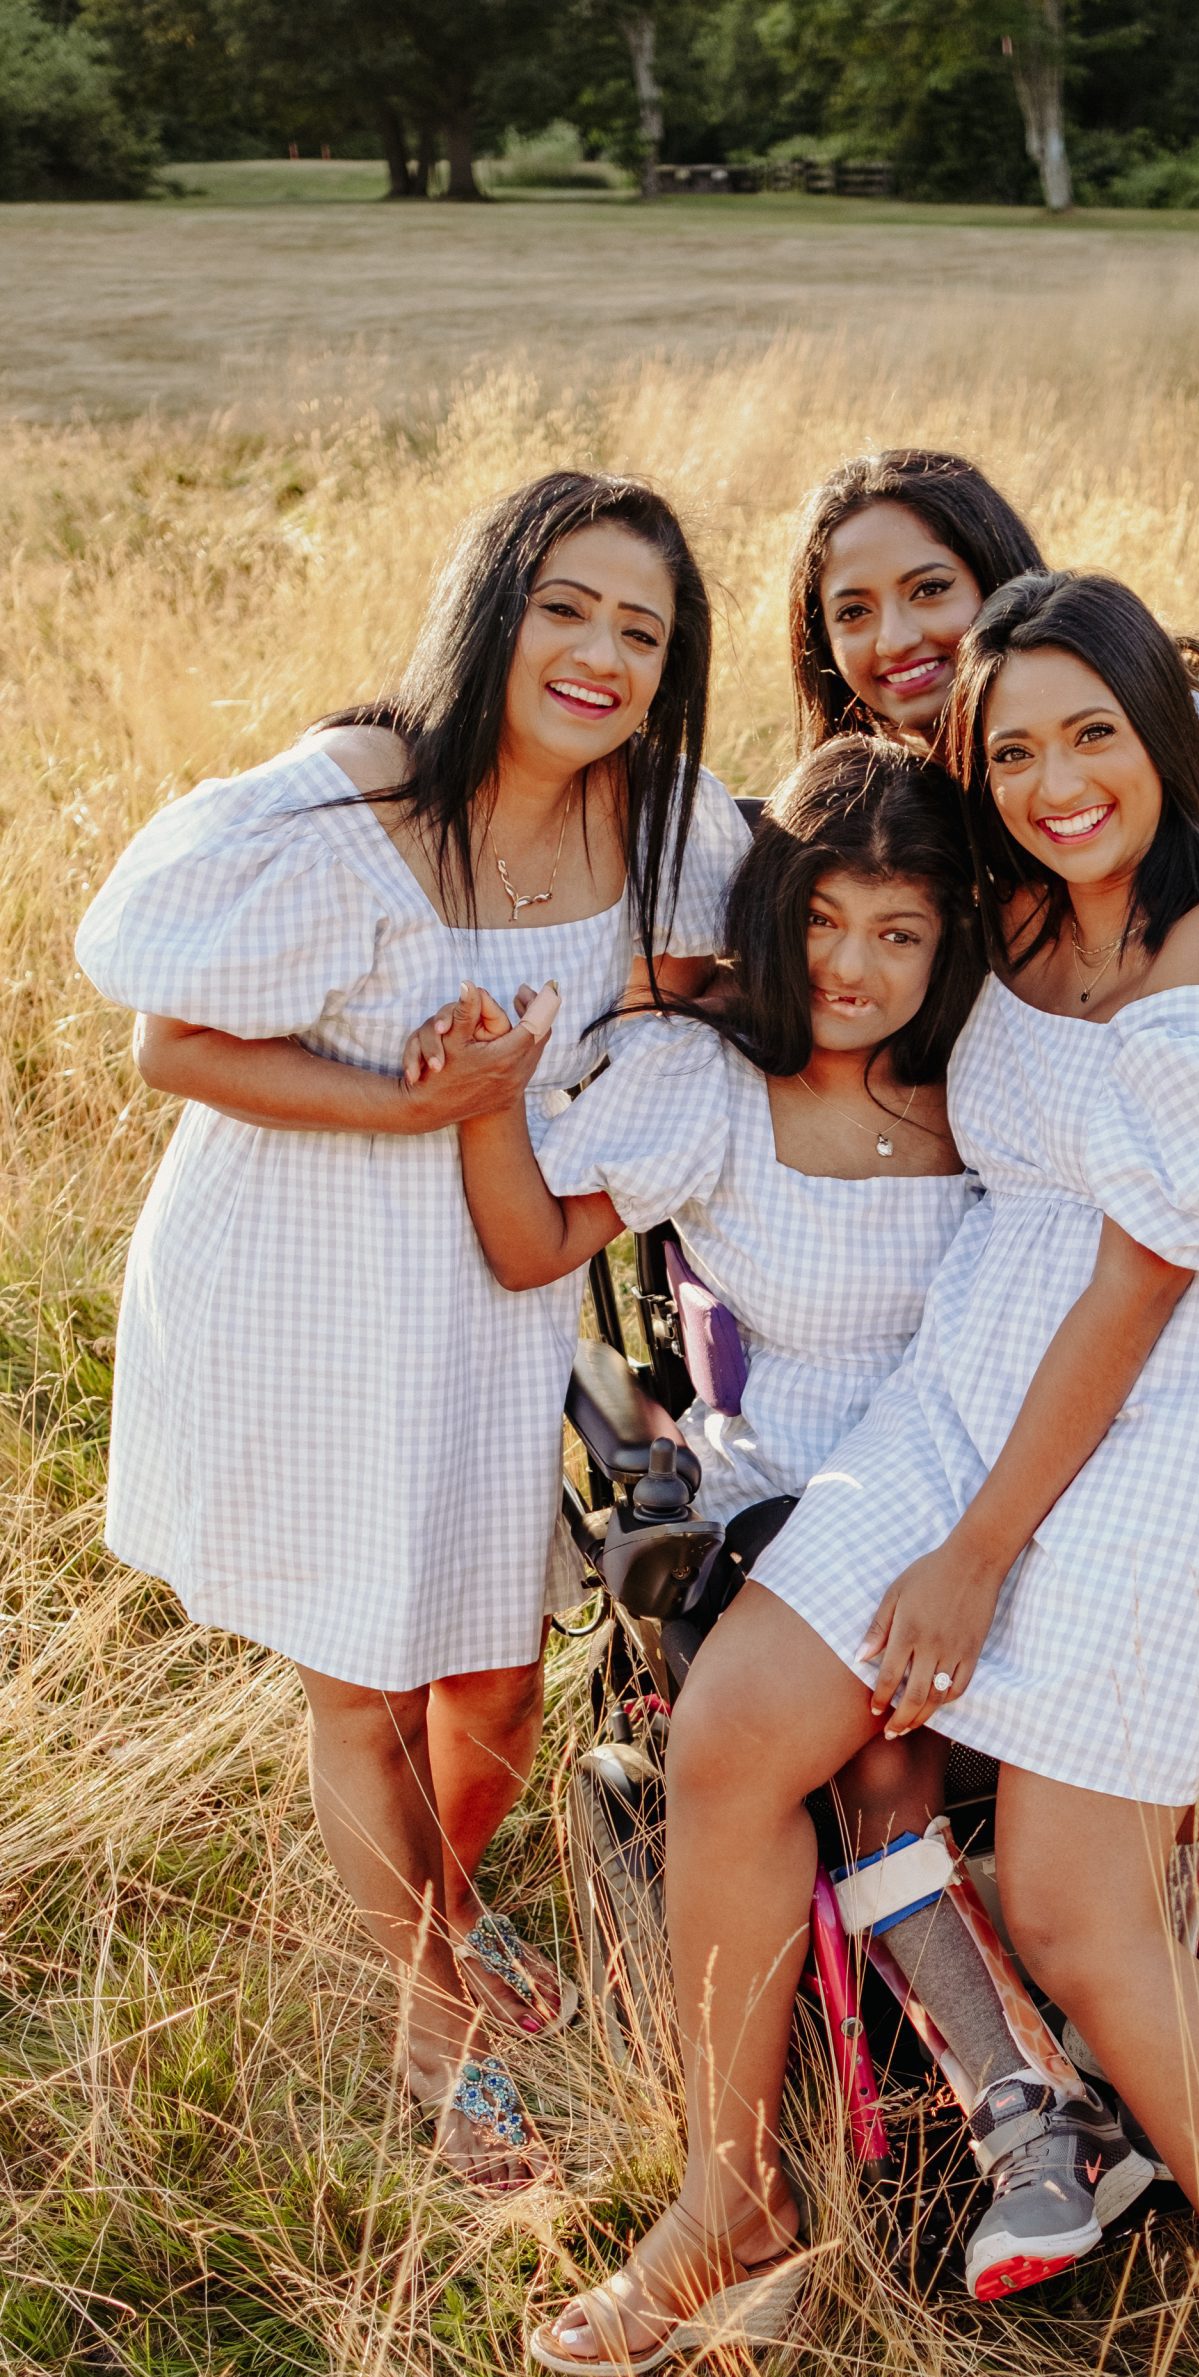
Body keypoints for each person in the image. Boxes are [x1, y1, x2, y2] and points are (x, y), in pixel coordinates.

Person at [526, 572, 1199, 2377]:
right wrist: (701, 991)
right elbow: (802, 892)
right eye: (1010, 746)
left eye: (1087, 734)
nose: (1049, 779)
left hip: (1150, 1430)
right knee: (725, 1731)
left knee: (1072, 1908)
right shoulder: (1012, 909)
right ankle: (738, 2197)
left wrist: (972, 1555)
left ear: (1156, 733)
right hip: (961, 1389)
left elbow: (1133, 1277)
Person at [74, 471, 749, 2189]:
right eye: (565, 608)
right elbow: (166, 1036)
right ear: (493, 612)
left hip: (485, 1289)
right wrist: (421, 1103)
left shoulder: (661, 824)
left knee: (499, 1681)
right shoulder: (364, 801)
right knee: (366, 1681)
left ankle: (441, 1906)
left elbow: (776, 942)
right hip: (297, 1275)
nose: (598, 654)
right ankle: (429, 2018)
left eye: (640, 631)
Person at [422, 733, 1156, 2304]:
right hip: (795, 1490)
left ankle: (1117, 2045)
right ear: (776, 917)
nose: (853, 966)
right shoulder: (713, 1089)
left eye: (898, 934)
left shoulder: (987, 1089)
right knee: (875, 1745)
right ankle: (1018, 2112)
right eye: (822, 921)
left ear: (951, 941)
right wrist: (491, 1099)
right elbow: (530, 1240)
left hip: (1000, 1473)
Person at [787, 446, 1199, 1439]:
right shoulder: (895, 809)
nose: (895, 635)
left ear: (998, 580)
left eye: (930, 589)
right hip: (1054, 1228)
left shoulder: (1176, 741)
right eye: (852, 611)